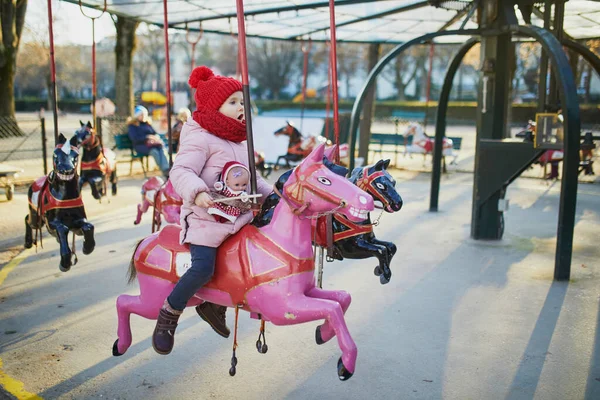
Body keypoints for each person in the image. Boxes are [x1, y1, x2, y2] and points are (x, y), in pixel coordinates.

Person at [152, 66, 273, 355]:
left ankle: (213, 303)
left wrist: (274, 194)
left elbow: (252, 177)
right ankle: (168, 315)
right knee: (203, 267)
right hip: (206, 219)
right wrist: (199, 192)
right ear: (213, 106)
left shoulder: (240, 141)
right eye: (232, 102)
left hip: (238, 216)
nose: (240, 107)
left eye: (242, 102)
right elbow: (180, 171)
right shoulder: (200, 137)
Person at [127, 105, 170, 177]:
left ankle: (167, 169)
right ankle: (165, 171)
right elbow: (134, 138)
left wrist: (155, 137)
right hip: (141, 146)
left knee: (162, 149)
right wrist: (147, 137)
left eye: (144, 114)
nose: (143, 116)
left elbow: (154, 133)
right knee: (155, 152)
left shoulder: (147, 124)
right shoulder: (133, 126)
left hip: (152, 144)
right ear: (137, 115)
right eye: (141, 114)